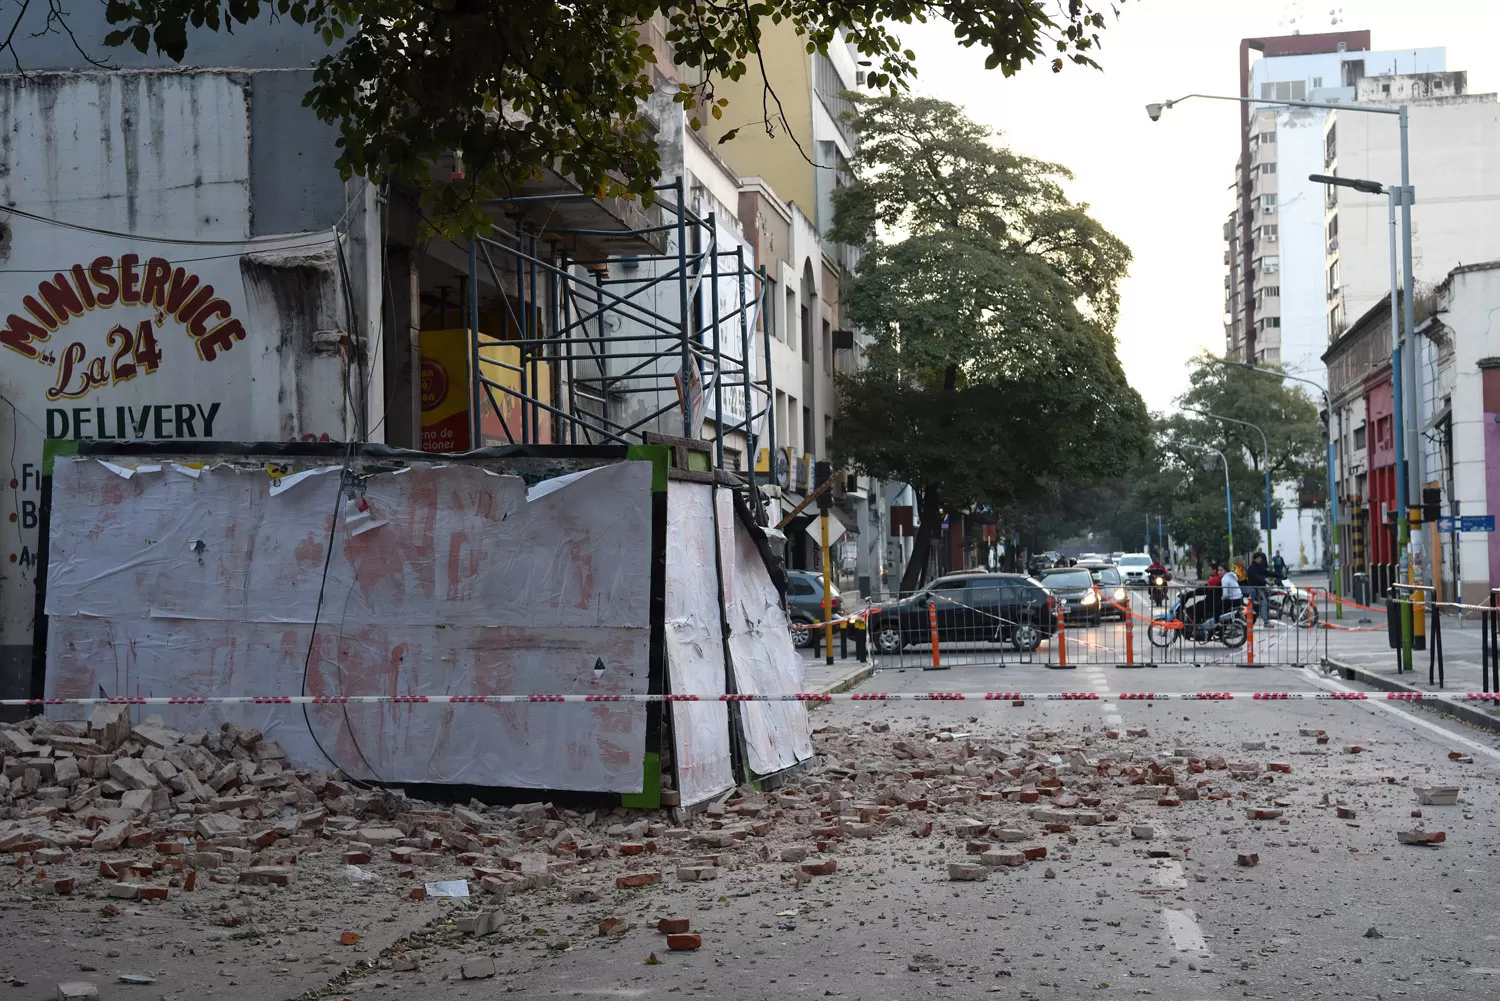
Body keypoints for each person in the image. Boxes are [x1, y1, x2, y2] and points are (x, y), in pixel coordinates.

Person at [1246, 551, 1272, 624]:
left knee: (1255, 605)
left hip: (1258, 588)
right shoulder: (1252, 568)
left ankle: (1263, 620)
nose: (1260, 560)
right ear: (1255, 559)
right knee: (1263, 603)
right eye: (1258, 558)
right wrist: (1266, 582)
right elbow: (1256, 578)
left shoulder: (1257, 567)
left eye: (1260, 558)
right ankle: (1265, 621)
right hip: (1256, 589)